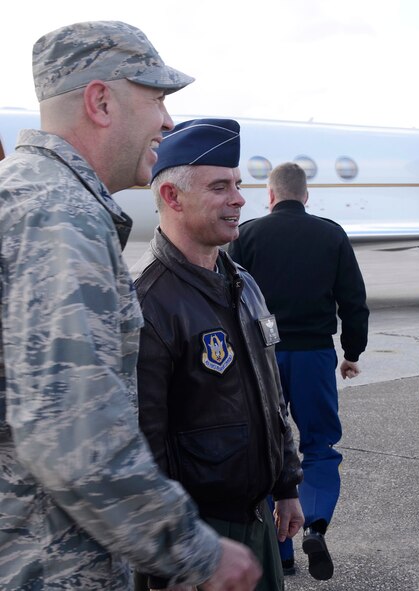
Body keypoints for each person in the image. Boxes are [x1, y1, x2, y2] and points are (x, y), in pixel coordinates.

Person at [0, 21, 261, 590]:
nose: (167, 122)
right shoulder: (58, 215)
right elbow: (73, 435)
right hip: (47, 564)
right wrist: (196, 551)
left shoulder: (22, 192)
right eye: (157, 99)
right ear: (100, 101)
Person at [131, 119, 304, 591]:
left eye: (239, 185)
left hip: (258, 521)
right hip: (198, 534)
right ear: (172, 197)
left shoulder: (243, 284)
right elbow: (143, 445)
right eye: (220, 187)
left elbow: (271, 398)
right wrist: (175, 553)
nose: (240, 199)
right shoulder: (148, 302)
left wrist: (286, 486)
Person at [228, 161, 369, 580]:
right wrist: (352, 352)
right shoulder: (331, 234)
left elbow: (228, 295)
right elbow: (354, 300)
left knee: (270, 446)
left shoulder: (247, 234)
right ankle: (316, 523)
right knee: (320, 445)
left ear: (270, 196)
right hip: (314, 355)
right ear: (305, 196)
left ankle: (281, 550)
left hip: (262, 356)